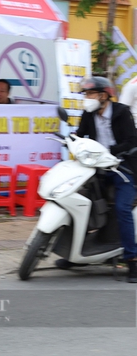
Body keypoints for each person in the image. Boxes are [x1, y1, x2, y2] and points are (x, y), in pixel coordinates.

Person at [65, 76, 137, 283]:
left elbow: (131, 140)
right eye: (85, 94)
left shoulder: (122, 113)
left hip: (122, 168)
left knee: (122, 209)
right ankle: (75, 255)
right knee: (76, 200)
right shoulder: (89, 114)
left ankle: (132, 259)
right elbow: (80, 134)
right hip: (96, 168)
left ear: (103, 96)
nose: (86, 98)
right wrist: (71, 140)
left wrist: (109, 151)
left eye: (90, 94)